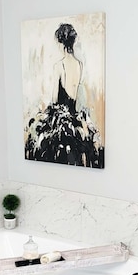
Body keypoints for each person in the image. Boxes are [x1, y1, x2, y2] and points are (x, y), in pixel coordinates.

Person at [25, 23, 104, 168]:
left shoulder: (58, 66)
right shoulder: (80, 64)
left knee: (37, 143)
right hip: (75, 118)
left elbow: (55, 98)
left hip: (61, 121)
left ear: (61, 43)